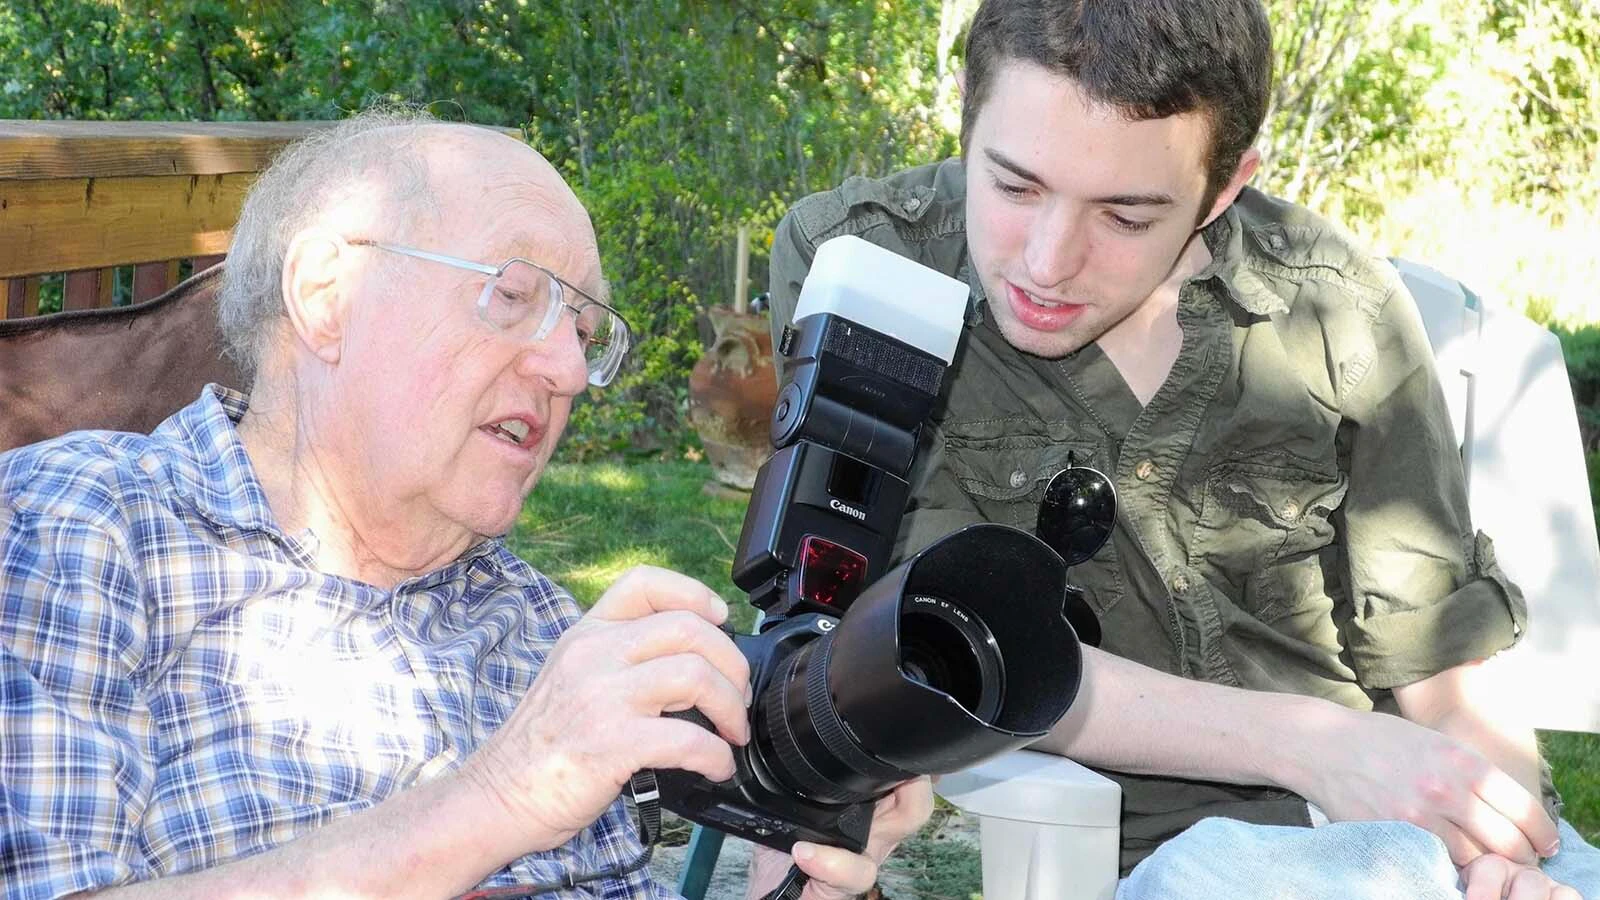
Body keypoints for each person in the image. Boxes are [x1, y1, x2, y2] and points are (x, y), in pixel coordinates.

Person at [767, 1, 1599, 898]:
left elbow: (1440, 663)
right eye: (1013, 186)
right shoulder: (866, 268)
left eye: (1126, 218)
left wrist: (1504, 848)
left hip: (1388, 833)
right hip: (1170, 857)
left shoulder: (1335, 306)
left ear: (1227, 185)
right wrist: (1313, 746)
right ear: (967, 104)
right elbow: (921, 639)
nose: (1046, 264)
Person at [0, 110, 931, 900]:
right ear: (327, 295)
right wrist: (505, 791)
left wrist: (792, 872)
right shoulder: (80, 524)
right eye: (512, 295)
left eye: (583, 330)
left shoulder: (534, 622)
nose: (568, 370)